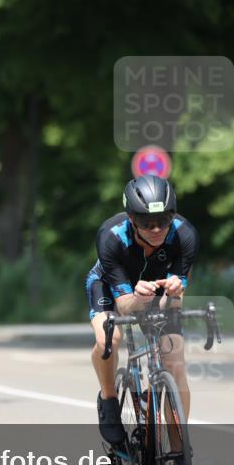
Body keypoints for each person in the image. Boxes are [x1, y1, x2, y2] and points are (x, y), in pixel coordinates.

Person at [85, 175, 198, 446]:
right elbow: (124, 306)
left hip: (156, 291)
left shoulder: (185, 234)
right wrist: (136, 295)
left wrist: (174, 293)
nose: (157, 229)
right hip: (112, 289)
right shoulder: (111, 236)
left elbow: (174, 305)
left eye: (164, 220)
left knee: (175, 361)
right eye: (147, 223)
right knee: (108, 339)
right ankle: (109, 401)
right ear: (131, 218)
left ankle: (179, 450)